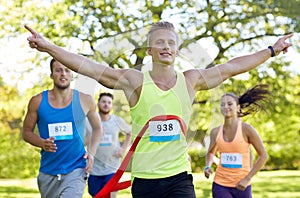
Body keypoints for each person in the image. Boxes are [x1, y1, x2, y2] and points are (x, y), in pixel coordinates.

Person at [24, 22, 293, 198]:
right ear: (151, 50)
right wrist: (48, 46)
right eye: (160, 43)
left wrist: (271, 50)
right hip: (145, 180)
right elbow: (90, 67)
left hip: (179, 177)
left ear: (177, 50)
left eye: (171, 43)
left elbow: (232, 66)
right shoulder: (135, 81)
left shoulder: (191, 81)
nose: (166, 47)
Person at [22, 58, 103, 198]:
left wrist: (92, 152)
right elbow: (26, 133)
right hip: (48, 170)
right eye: (58, 70)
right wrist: (41, 143)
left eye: (67, 70)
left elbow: (98, 129)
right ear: (51, 75)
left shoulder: (85, 100)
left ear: (72, 75)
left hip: (76, 168)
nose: (63, 74)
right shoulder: (37, 101)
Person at [204, 84, 270, 198]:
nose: (226, 107)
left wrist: (247, 179)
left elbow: (263, 156)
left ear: (238, 107)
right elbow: (210, 153)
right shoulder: (215, 132)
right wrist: (207, 166)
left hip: (242, 185)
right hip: (220, 185)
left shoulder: (247, 129)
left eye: (230, 104)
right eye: (222, 104)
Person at [85, 92, 132, 197]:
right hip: (94, 169)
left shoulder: (117, 121)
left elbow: (129, 133)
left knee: (111, 195)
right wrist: (95, 134)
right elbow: (82, 142)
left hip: (112, 168)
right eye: (103, 102)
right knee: (96, 195)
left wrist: (123, 149)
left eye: (109, 102)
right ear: (98, 104)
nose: (106, 104)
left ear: (111, 105)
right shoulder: (88, 122)